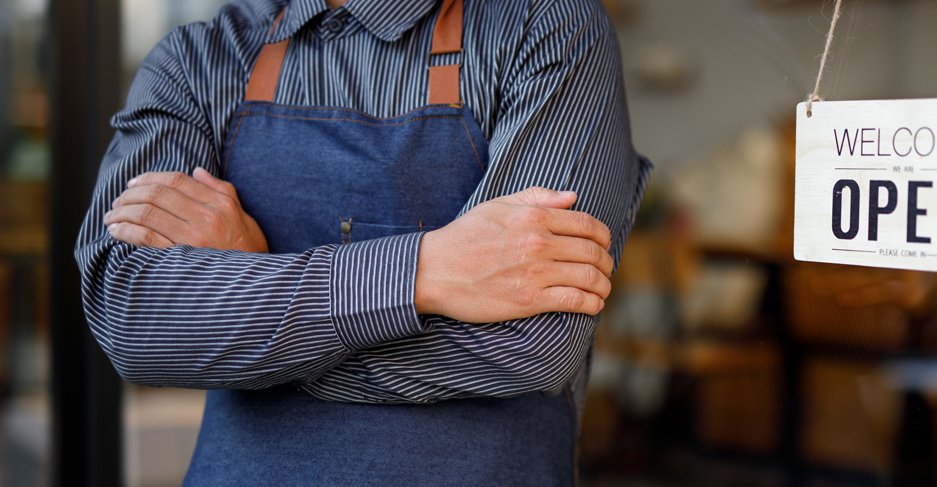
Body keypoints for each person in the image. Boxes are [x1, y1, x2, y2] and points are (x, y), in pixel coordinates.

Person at [74, 0, 650, 484]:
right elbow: (133, 317)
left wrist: (253, 287)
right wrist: (425, 273)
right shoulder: (200, 59)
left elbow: (531, 343)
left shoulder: (548, 28)